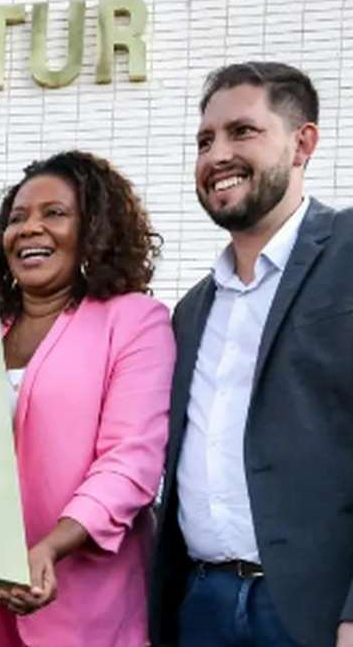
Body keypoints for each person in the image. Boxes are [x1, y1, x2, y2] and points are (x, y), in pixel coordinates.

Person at [0, 151, 174, 646]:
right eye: (16, 218)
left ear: (94, 228)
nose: (30, 228)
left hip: (79, 603)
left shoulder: (134, 321)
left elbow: (130, 461)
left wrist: (50, 548)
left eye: (54, 213)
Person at [148, 62, 353, 647]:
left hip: (313, 611)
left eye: (243, 132)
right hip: (203, 604)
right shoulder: (190, 311)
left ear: (302, 144)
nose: (217, 155)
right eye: (205, 141)